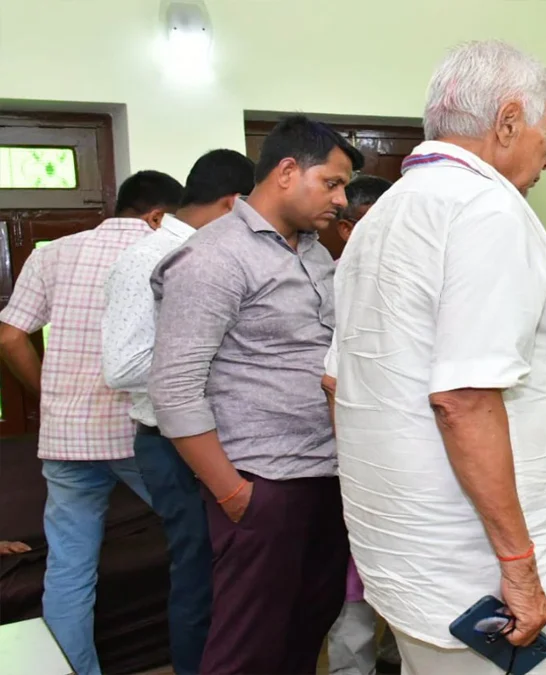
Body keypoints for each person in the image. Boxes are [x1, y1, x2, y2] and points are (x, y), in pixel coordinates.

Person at [331, 40, 546, 674]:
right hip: (482, 571)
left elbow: (338, 382)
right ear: (508, 120)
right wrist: (518, 568)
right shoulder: (486, 209)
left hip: (413, 553)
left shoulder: (381, 217)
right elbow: (464, 398)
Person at [148, 115, 363, 675]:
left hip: (326, 475)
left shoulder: (314, 251)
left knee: (305, 630)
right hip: (262, 483)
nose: (341, 200)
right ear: (287, 171)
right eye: (333, 183)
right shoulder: (216, 255)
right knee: (246, 650)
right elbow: (173, 389)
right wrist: (232, 492)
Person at [0, 170, 184, 675]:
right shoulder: (165, 253)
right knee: (198, 542)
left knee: (69, 569)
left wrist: (49, 394)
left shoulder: (52, 253)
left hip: (65, 438)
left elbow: (10, 337)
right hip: (137, 434)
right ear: (157, 215)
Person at [100, 149, 255, 675]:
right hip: (170, 443)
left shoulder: (206, 252)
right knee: (199, 577)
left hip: (210, 437)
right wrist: (221, 363)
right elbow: (123, 367)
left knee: (229, 575)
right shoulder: (150, 258)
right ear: (233, 204)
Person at [321, 173, 404, 675]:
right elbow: (332, 381)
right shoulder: (334, 283)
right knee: (353, 597)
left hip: (402, 462)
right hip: (354, 462)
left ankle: (396, 657)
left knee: (403, 584)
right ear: (348, 229)